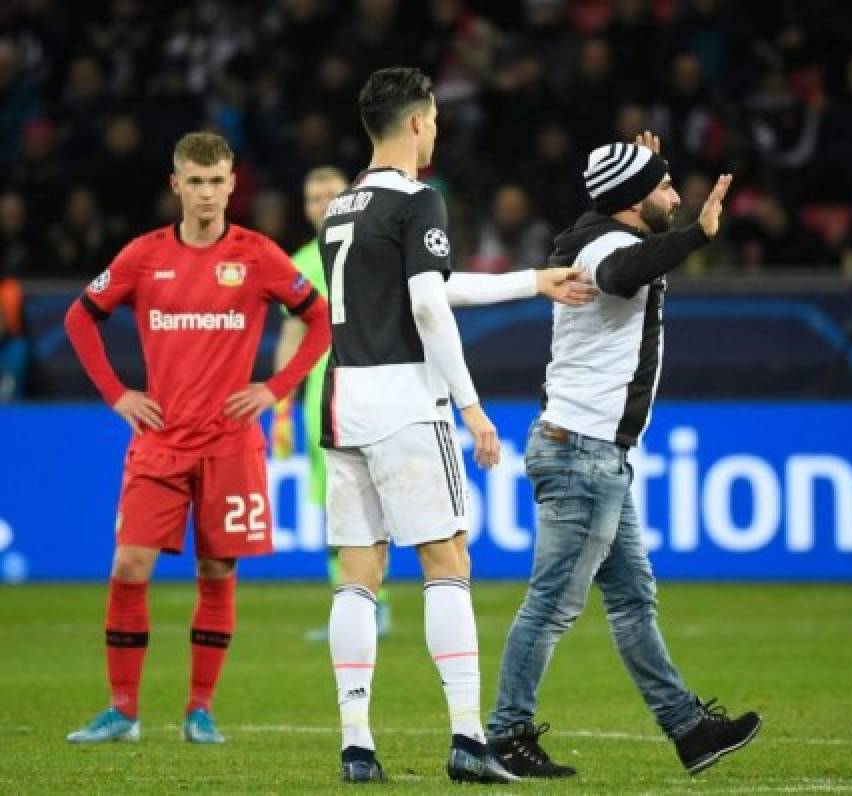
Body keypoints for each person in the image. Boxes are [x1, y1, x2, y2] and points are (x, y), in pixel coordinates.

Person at [320, 66, 593, 785]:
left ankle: (356, 744)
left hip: (344, 396)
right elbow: (430, 309)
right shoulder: (419, 201)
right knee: (447, 563)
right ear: (415, 123)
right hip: (407, 399)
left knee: (358, 574)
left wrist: (532, 281)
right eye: (434, 118)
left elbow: (434, 285)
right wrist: (470, 406)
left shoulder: (342, 208)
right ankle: (469, 738)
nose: (436, 129)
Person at [485, 132, 762, 778]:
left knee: (634, 600)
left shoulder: (598, 235)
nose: (675, 195)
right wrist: (697, 233)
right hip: (584, 454)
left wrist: (639, 171)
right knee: (552, 604)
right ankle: (504, 736)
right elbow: (619, 273)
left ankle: (690, 730)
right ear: (635, 201)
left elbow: (627, 255)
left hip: (592, 455)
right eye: (664, 186)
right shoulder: (612, 246)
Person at [63, 132, 332, 744]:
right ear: (176, 184)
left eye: (217, 181)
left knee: (217, 572)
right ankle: (123, 712)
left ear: (233, 184)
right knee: (129, 565)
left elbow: (319, 320)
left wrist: (276, 388)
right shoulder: (143, 256)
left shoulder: (259, 255)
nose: (207, 193)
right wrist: (118, 394)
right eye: (196, 181)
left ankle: (199, 710)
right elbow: (80, 317)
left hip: (230, 444)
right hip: (160, 443)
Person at [269, 166, 394, 642]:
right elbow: (292, 333)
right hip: (322, 399)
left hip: (377, 389)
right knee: (337, 507)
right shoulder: (298, 262)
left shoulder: (377, 247)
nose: (321, 204)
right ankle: (362, 606)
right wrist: (281, 405)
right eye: (312, 197)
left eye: (329, 194)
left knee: (383, 502)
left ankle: (376, 598)